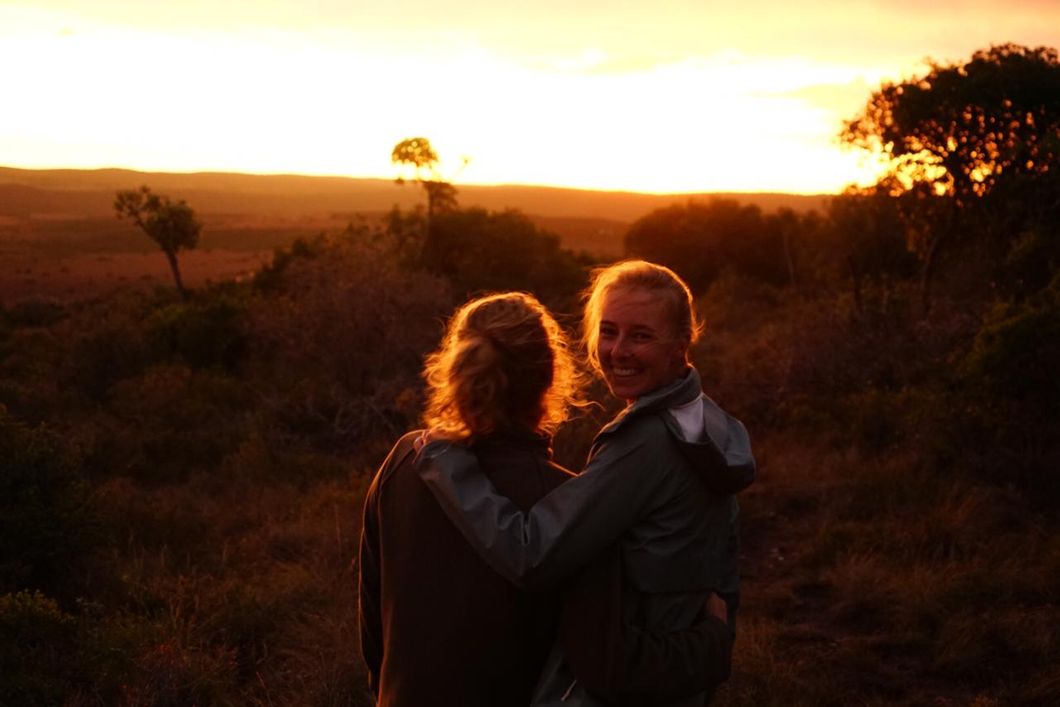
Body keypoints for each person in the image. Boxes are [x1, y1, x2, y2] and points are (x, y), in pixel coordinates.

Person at [358, 291, 733, 707]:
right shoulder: (571, 507)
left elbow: (375, 630)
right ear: (552, 375)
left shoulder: (407, 460)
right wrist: (712, 640)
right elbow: (608, 668)